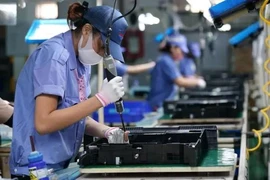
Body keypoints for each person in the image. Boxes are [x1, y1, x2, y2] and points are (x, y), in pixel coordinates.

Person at [10, 3, 129, 178]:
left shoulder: (81, 61)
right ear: (87, 30)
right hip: (36, 170)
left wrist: (106, 131)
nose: (103, 55)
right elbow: (44, 123)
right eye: (102, 47)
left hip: (61, 167)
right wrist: (100, 99)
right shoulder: (54, 56)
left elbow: (75, 115)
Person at [147, 33, 206, 110]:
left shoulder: (168, 60)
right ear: (172, 48)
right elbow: (180, 81)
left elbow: (179, 77)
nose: (182, 54)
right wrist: (198, 82)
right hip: (158, 104)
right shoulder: (165, 61)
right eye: (181, 51)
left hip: (162, 103)